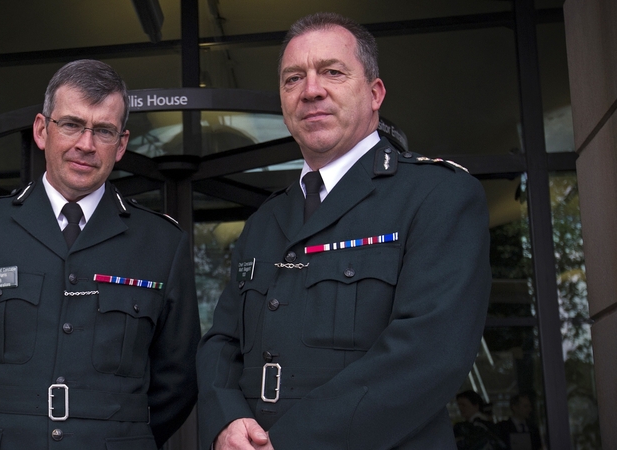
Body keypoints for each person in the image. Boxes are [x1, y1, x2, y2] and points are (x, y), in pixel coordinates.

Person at [196, 11, 491, 450]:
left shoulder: (437, 195)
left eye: (332, 72)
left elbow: (428, 354)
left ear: (374, 93)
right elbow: (222, 341)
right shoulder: (265, 220)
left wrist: (286, 443)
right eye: (293, 78)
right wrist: (226, 419)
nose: (311, 90)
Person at [0, 59, 200, 450]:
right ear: (42, 130)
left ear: (121, 145)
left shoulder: (162, 243)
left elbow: (179, 380)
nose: (86, 145)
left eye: (103, 130)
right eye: (72, 124)